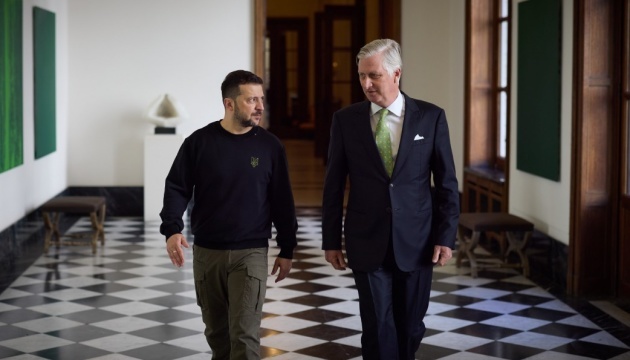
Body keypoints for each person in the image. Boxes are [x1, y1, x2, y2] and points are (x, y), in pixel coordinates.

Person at [322, 39, 460, 360]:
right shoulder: (346, 120)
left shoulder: (430, 117)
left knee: (410, 326)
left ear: (396, 73)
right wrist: (331, 240)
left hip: (417, 241)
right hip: (365, 239)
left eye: (374, 75)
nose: (366, 84)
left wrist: (445, 236)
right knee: (376, 326)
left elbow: (447, 183)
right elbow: (332, 186)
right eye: (361, 76)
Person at [160, 70, 298, 359]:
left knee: (245, 336)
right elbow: (176, 187)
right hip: (207, 252)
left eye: (261, 99)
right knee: (218, 336)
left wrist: (287, 247)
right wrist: (172, 229)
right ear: (230, 104)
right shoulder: (199, 143)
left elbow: (282, 200)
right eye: (251, 100)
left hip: (250, 252)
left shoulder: (270, 146)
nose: (260, 106)